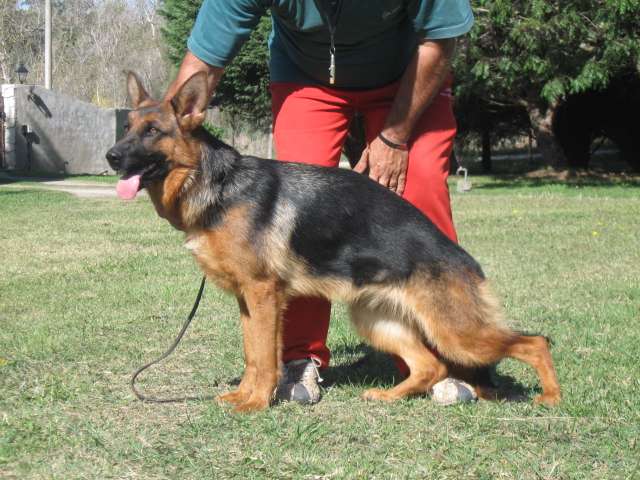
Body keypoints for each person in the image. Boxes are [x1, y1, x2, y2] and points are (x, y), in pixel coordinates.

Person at [164, 0, 476, 404]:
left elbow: (442, 36)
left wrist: (395, 136)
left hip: (412, 71)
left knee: (420, 186)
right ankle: (298, 358)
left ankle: (444, 358)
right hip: (306, 77)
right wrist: (160, 154)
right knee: (296, 206)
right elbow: (202, 62)